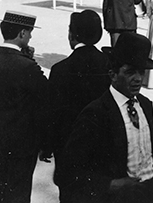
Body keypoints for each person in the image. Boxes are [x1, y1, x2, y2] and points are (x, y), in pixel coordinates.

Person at [59, 32, 153, 203]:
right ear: (113, 74)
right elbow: (67, 173)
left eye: (141, 72)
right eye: (130, 72)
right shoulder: (96, 114)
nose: (138, 79)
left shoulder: (145, 105)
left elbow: (152, 158)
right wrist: (111, 185)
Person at [43, 10, 111, 200]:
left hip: (68, 147)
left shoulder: (60, 70)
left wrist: (46, 145)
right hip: (103, 145)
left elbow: (52, 113)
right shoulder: (109, 65)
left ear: (72, 34)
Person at [0, 11, 48, 203]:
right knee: (19, 191)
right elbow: (44, 96)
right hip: (24, 141)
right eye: (29, 32)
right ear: (22, 34)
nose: (30, 36)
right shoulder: (27, 67)